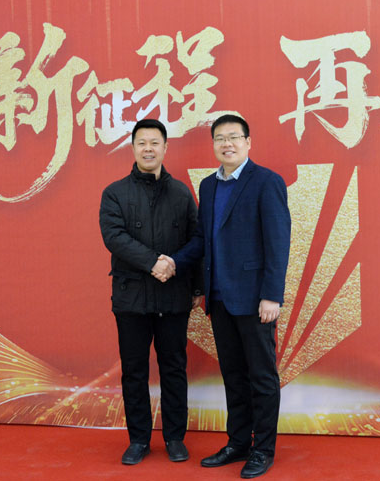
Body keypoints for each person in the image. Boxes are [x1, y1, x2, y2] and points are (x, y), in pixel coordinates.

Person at [164, 114, 291, 479]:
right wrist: (175, 262)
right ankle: (238, 442)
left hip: (255, 300)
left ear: (248, 142)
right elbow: (202, 240)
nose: (227, 144)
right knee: (233, 375)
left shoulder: (266, 181)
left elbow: (278, 242)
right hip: (219, 299)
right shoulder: (208, 186)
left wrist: (272, 296)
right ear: (214, 145)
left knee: (261, 377)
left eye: (234, 137)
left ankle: (263, 449)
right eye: (220, 138)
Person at [99, 118, 202, 465]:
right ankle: (139, 439)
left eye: (154, 143)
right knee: (134, 370)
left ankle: (175, 437)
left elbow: (195, 239)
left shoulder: (181, 192)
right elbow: (114, 237)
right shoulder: (114, 192)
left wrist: (196, 285)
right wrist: (153, 262)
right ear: (132, 148)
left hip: (173, 295)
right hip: (131, 296)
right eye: (141, 143)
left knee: (174, 367)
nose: (148, 149)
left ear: (165, 148)